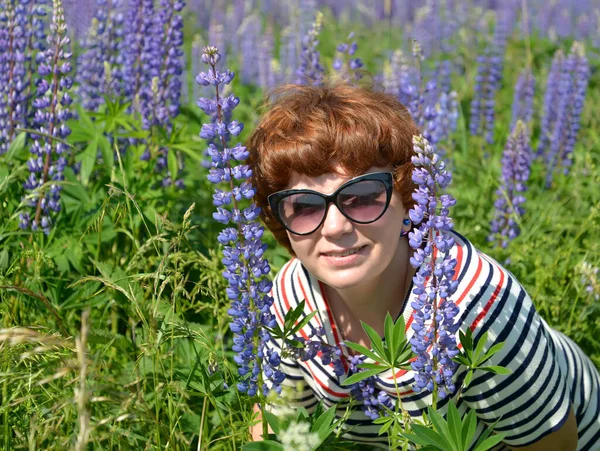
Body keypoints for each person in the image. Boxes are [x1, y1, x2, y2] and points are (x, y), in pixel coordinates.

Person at [245, 81, 600, 450]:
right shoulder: (289, 299)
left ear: (409, 202)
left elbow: (552, 443)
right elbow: (279, 425)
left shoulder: (476, 304)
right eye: (304, 206)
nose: (335, 227)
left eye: (364, 197)